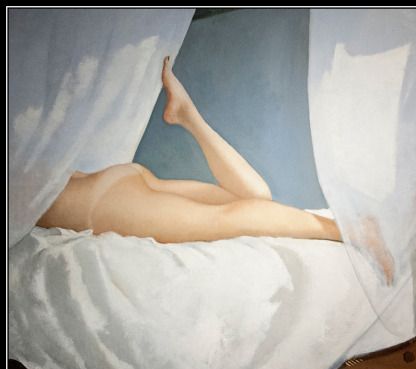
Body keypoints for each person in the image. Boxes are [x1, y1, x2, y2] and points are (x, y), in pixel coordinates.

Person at [37, 57, 394, 282]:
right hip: (120, 182)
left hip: (101, 201)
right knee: (255, 198)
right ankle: (188, 116)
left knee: (230, 218)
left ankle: (348, 230)